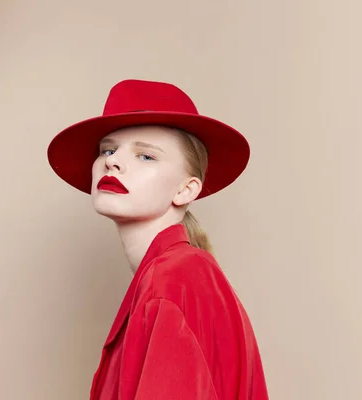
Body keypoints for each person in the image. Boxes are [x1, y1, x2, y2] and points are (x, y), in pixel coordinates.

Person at [47, 79, 269, 400]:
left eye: (146, 156)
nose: (113, 161)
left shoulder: (170, 281)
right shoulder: (185, 273)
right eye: (108, 149)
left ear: (186, 189)